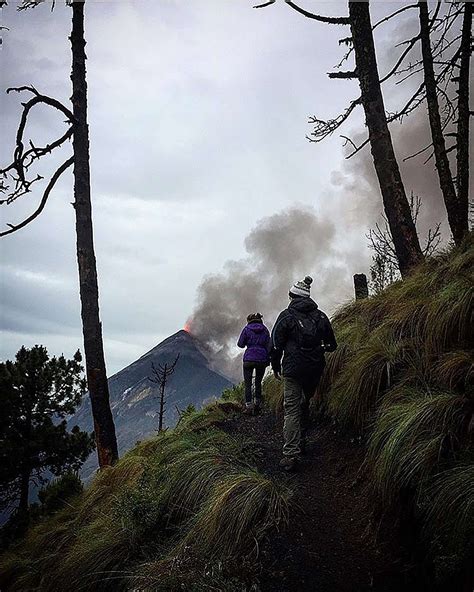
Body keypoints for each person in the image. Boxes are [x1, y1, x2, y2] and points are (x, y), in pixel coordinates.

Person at [271, 276, 337, 471]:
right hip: (315, 368)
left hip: (292, 369)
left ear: (292, 296)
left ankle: (291, 454)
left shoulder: (286, 316)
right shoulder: (321, 316)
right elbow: (332, 344)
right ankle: (302, 442)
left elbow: (276, 344)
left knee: (291, 408)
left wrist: (275, 366)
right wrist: (319, 349)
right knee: (304, 403)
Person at [237, 313, 271, 415]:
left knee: (248, 384)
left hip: (248, 359)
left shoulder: (246, 329)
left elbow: (240, 344)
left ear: (249, 320)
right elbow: (269, 345)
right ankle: (257, 404)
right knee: (258, 382)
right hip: (261, 359)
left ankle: (248, 406)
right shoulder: (265, 330)